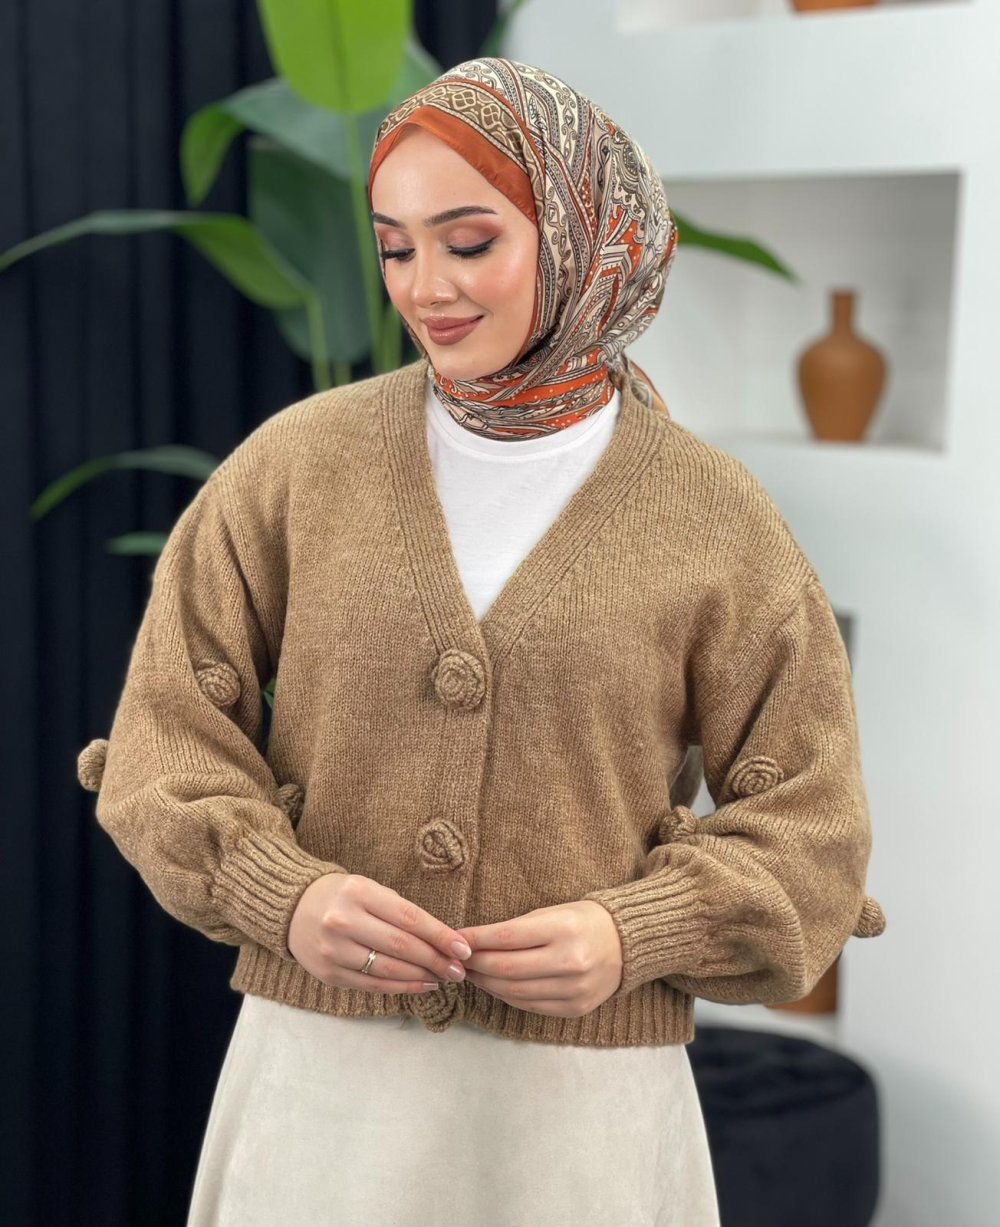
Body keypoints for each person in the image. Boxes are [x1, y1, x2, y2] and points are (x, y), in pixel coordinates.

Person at [76, 57, 885, 1227]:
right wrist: (283, 895)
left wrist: (631, 932)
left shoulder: (715, 518)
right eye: (394, 248)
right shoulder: (294, 468)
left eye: (468, 242)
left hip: (583, 1117)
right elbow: (163, 740)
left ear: (581, 235)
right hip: (321, 1093)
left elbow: (812, 826)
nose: (427, 288)